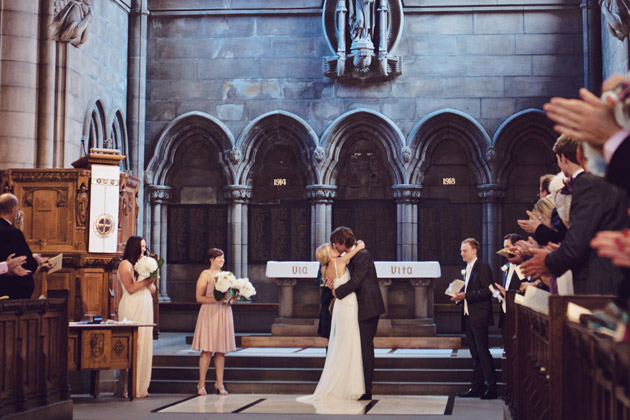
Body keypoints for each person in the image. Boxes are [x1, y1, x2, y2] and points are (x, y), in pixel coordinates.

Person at [520, 135, 629, 294]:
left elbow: (577, 243)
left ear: (566, 156)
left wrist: (548, 260)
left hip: (598, 281)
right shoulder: (608, 181)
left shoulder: (587, 183)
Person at [298, 239, 367, 402]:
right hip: (347, 305)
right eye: (332, 248)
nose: (335, 248)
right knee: (349, 344)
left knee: (341, 344)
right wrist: (360, 246)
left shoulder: (327, 268)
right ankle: (348, 385)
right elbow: (354, 252)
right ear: (328, 255)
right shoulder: (339, 262)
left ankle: (342, 383)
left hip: (339, 307)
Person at [330, 226, 385, 401]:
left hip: (367, 309)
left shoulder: (362, 255)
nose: (334, 246)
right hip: (358, 308)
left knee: (365, 349)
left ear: (342, 242)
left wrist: (337, 293)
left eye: (336, 243)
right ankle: (358, 386)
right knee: (358, 349)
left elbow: (356, 282)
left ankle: (367, 390)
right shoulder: (354, 255)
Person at [451, 238, 497, 400]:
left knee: (483, 351)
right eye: (461, 250)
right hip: (469, 315)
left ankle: (492, 387)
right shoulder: (468, 267)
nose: (461, 253)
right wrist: (460, 297)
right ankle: (477, 387)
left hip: (479, 315)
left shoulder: (482, 267)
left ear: (474, 251)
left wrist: (466, 295)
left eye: (464, 250)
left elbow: (487, 291)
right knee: (475, 353)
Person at [192, 248, 236, 396]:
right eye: (219, 258)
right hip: (210, 312)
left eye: (223, 258)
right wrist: (218, 299)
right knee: (207, 350)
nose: (222, 260)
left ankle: (219, 383)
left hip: (224, 312)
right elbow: (199, 297)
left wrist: (231, 298)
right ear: (211, 259)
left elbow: (231, 298)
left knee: (221, 350)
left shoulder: (227, 276)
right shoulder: (206, 275)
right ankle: (202, 384)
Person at [117, 236, 155, 398]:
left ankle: (142, 387)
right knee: (135, 344)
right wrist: (146, 279)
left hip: (146, 303)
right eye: (141, 246)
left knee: (145, 343)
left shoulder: (144, 264)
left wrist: (151, 279)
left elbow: (152, 290)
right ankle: (129, 388)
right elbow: (131, 288)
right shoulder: (125, 264)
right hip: (132, 304)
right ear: (133, 247)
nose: (144, 250)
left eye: (145, 246)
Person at [0, 193, 39, 299]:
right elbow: (29, 264)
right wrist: (35, 261)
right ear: (13, 210)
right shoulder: (12, 232)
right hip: (11, 292)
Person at [494, 234, 525, 345]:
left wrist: (507, 294)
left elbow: (524, 291)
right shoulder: (507, 266)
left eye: (507, 246)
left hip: (518, 313)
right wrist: (500, 294)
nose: (505, 250)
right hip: (505, 310)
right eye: (504, 247)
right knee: (507, 343)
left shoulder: (524, 266)